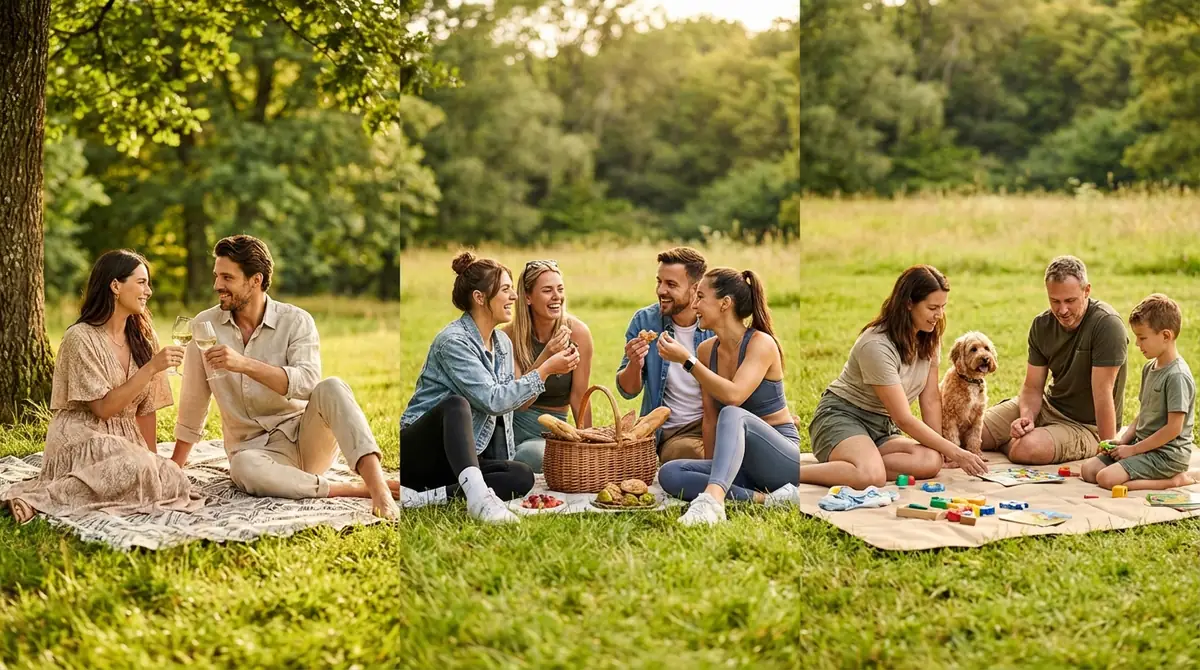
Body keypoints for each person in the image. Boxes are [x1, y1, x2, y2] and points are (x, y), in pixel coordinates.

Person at [171, 235, 399, 519]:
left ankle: (379, 489)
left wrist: (244, 364)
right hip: (254, 455)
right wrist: (174, 468)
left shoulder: (296, 321)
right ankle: (354, 489)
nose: (217, 285)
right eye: (217, 276)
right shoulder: (204, 326)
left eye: (227, 277)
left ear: (256, 280)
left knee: (333, 387)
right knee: (242, 468)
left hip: (305, 441)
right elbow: (193, 402)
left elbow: (306, 383)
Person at [2, 250, 202, 524]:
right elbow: (103, 408)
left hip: (126, 442)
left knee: (171, 479)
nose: (149, 291)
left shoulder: (144, 337)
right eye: (141, 282)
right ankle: (36, 499)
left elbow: (146, 410)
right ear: (115, 285)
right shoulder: (80, 338)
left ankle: (136, 472)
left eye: (148, 283)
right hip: (83, 436)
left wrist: (153, 461)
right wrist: (151, 368)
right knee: (133, 469)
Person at [400, 252, 579, 524]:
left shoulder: (502, 344)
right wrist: (545, 369)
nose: (514, 297)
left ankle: (425, 498)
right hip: (421, 454)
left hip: (457, 461)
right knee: (456, 405)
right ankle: (480, 499)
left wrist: (503, 461)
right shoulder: (454, 342)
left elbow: (506, 410)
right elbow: (493, 400)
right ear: (480, 297)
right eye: (506, 290)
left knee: (520, 475)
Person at [802, 265, 988, 489]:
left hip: (882, 429)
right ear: (909, 303)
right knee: (871, 478)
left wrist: (943, 450)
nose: (939, 315)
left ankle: (859, 463)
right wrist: (956, 451)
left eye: (943, 307)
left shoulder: (929, 338)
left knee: (931, 461)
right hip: (842, 418)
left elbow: (930, 399)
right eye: (932, 308)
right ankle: (795, 471)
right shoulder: (875, 345)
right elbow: (903, 418)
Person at [655, 268, 802, 525]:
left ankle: (712, 502)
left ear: (725, 304)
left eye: (700, 297)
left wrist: (686, 361)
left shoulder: (761, 344)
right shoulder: (706, 351)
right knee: (671, 473)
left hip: (781, 458)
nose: (694, 304)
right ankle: (767, 500)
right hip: (739, 462)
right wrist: (716, 470)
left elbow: (734, 397)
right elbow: (710, 419)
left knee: (733, 413)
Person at [980, 255, 1127, 465]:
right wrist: (1027, 417)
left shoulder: (1107, 325)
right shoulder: (1042, 325)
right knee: (972, 433)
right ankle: (1018, 442)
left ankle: (1015, 445)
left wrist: (1107, 450)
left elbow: (1103, 393)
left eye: (1070, 301)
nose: (1062, 310)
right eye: (1054, 301)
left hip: (1086, 426)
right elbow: (1032, 387)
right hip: (1048, 407)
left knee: (1026, 449)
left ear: (1087, 291)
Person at [1082, 294, 1195, 490]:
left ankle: (1175, 480)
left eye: (1142, 338)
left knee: (1106, 479)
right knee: (1088, 471)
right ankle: (1136, 467)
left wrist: (1133, 450)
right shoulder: (1149, 368)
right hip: (1143, 446)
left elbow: (1173, 429)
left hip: (1167, 454)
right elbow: (1143, 413)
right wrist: (1121, 442)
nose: (1137, 344)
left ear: (1166, 336)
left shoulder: (1177, 376)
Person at [616, 247, 714, 463]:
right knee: (685, 455)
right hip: (670, 430)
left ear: (695, 289)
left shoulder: (714, 324)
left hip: (712, 421)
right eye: (659, 281)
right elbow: (628, 391)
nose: (661, 290)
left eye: (671, 284)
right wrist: (634, 363)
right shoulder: (645, 321)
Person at [499, 259, 594, 473]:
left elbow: (580, 396)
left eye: (560, 289)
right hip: (510, 424)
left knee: (532, 455)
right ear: (528, 297)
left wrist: (590, 442)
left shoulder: (578, 333)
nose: (556, 297)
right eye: (547, 290)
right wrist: (547, 355)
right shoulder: (508, 336)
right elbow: (519, 403)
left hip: (552, 428)